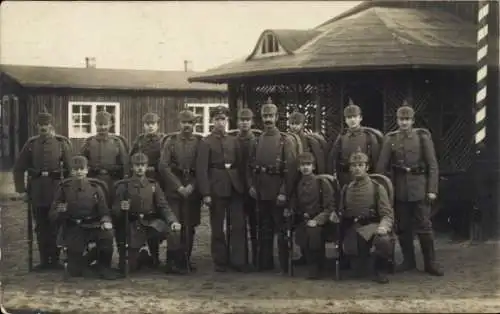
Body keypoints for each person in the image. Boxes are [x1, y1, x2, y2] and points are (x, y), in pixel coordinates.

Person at [376, 104, 443, 276]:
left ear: (412, 121)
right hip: (399, 191)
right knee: (403, 228)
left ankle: (430, 263)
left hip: (420, 189)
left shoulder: (422, 138)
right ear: (397, 121)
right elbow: (381, 168)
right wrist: (384, 192)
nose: (404, 122)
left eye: (407, 119)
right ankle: (408, 261)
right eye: (401, 119)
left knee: (424, 226)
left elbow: (432, 165)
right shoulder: (390, 139)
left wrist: (432, 189)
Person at [13, 112, 72, 270]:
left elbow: (69, 169)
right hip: (37, 191)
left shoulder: (61, 144)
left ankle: (56, 259)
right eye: (41, 125)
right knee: (40, 226)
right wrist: (22, 190)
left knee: (56, 224)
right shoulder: (31, 144)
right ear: (37, 126)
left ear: (52, 125)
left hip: (56, 190)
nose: (43, 127)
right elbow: (18, 168)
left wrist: (67, 191)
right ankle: (45, 260)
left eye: (46, 124)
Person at [196, 106, 251, 273]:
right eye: (218, 119)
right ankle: (220, 261)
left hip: (235, 187)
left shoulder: (233, 140)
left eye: (224, 119)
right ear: (213, 121)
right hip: (216, 187)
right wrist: (206, 192)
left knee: (238, 224)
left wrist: (244, 186)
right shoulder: (206, 142)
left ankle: (238, 260)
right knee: (218, 226)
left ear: (227, 121)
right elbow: (201, 169)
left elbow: (241, 165)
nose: (221, 122)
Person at [113, 153, 185, 275]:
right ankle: (144, 257)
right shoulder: (123, 186)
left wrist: (172, 221)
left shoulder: (153, 185)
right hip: (132, 224)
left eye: (142, 165)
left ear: (147, 167)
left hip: (151, 223)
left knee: (173, 231)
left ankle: (172, 263)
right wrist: (121, 208)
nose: (140, 168)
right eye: (137, 165)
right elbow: (114, 211)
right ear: (132, 167)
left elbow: (163, 206)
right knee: (131, 267)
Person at [49, 155, 118, 280]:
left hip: (93, 225)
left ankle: (103, 265)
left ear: (87, 170)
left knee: (107, 234)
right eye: (75, 169)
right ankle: (84, 262)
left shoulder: (96, 187)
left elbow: (104, 211)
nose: (79, 172)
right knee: (74, 271)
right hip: (74, 227)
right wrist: (60, 211)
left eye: (82, 169)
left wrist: (106, 221)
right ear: (71, 171)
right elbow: (52, 215)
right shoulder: (64, 188)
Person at [249, 101, 298, 274]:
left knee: (282, 230)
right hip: (261, 192)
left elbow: (291, 170)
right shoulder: (256, 140)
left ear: (277, 118)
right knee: (264, 228)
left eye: (271, 116)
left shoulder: (285, 141)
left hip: (278, 191)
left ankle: (285, 265)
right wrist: (253, 186)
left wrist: (284, 192)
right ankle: (265, 263)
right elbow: (251, 166)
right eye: (265, 116)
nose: (268, 119)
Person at [335, 149, 394, 284]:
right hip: (353, 230)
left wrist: (383, 227)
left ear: (367, 167)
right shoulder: (346, 188)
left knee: (383, 241)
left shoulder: (377, 187)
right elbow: (341, 213)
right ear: (350, 169)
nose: (357, 169)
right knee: (357, 271)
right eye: (354, 166)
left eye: (360, 165)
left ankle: (381, 270)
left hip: (372, 227)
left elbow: (387, 214)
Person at [80, 110, 130, 270]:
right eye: (99, 124)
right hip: (94, 186)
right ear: (95, 124)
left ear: (110, 124)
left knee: (119, 218)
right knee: (96, 218)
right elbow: (81, 164)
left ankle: (123, 257)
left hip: (114, 185)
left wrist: (124, 187)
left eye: (105, 124)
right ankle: (100, 257)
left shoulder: (117, 142)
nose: (102, 127)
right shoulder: (88, 143)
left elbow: (125, 166)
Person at [159, 110, 203, 272]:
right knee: (174, 225)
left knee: (189, 225)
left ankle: (185, 259)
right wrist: (178, 186)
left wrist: (192, 185)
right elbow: (163, 166)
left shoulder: (199, 142)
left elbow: (202, 167)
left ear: (194, 125)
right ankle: (172, 261)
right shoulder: (170, 142)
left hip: (192, 191)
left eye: (190, 123)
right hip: (174, 190)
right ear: (179, 123)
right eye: (184, 122)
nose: (187, 126)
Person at [288, 152, 335, 279]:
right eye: (302, 165)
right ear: (298, 168)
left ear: (313, 167)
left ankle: (316, 267)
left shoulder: (322, 183)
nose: (305, 168)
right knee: (302, 232)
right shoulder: (297, 184)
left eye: (308, 164)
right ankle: (308, 260)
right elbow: (295, 203)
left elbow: (330, 207)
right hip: (304, 219)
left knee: (313, 232)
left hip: (322, 221)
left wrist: (318, 220)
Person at [129, 112, 167, 266]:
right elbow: (131, 159)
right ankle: (137, 253)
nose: (150, 126)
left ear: (158, 125)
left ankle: (155, 256)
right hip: (141, 182)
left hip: (158, 182)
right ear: (143, 125)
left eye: (153, 123)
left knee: (155, 217)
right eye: (147, 123)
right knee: (140, 217)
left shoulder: (163, 140)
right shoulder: (139, 141)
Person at [228, 108, 260, 267]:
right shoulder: (232, 140)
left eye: (247, 120)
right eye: (242, 120)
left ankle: (257, 258)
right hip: (236, 188)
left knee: (256, 224)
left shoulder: (258, 140)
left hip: (253, 188)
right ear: (237, 122)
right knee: (238, 225)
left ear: (252, 122)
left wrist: (254, 185)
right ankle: (240, 261)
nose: (244, 123)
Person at [327, 101, 381, 187]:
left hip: (365, 179)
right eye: (349, 117)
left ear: (360, 118)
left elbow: (376, 161)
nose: (352, 120)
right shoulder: (342, 137)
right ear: (345, 120)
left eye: (355, 117)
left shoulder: (369, 136)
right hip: (345, 179)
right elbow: (332, 158)